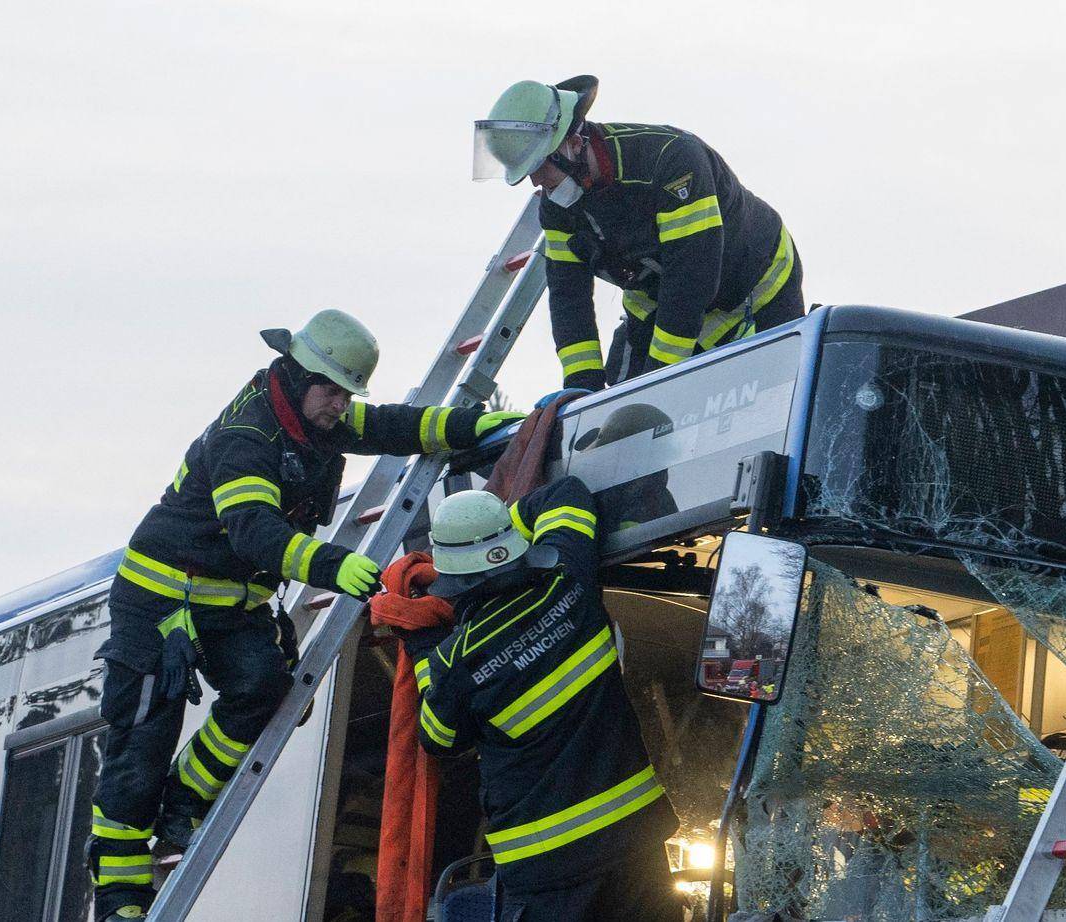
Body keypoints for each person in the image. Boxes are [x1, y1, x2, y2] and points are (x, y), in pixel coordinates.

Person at [87, 309, 522, 921]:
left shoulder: (317, 418)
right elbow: (253, 531)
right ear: (296, 376)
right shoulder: (246, 436)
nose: (341, 406)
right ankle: (121, 902)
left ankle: (183, 800)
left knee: (264, 687)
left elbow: (394, 425)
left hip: (231, 603)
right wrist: (332, 566)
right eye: (332, 391)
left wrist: (473, 425)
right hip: (161, 604)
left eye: (347, 394)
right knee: (140, 755)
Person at [401, 479, 680, 920]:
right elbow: (566, 492)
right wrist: (501, 533)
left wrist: (420, 646)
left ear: (453, 581)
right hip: (634, 841)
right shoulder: (570, 582)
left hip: (547, 868)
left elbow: (438, 738)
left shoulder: (456, 661)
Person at [473, 76, 804, 391]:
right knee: (620, 405)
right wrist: (580, 386)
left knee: (774, 393)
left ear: (573, 144)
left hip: (756, 285)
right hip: (659, 300)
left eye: (539, 166)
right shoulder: (557, 208)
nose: (535, 181)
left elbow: (691, 279)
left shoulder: (670, 161)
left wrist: (659, 379)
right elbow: (568, 297)